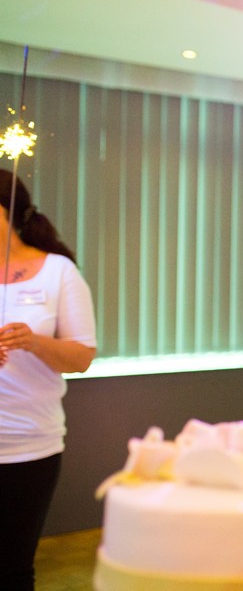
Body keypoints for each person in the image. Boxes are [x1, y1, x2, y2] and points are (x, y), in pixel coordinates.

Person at [0, 170, 97, 590]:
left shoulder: (58, 273)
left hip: (27, 446)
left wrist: (34, 342)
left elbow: (81, 357)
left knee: (11, 567)